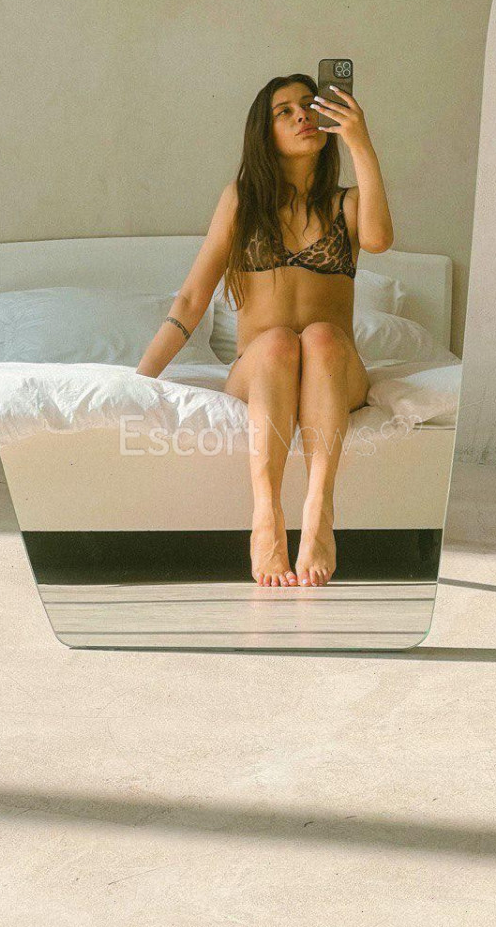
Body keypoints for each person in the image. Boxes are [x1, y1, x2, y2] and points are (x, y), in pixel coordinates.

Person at [136, 73, 394, 587]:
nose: (302, 116)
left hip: (334, 370)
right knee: (277, 342)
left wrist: (360, 141)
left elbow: (380, 239)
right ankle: (267, 516)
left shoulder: (346, 204)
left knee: (320, 336)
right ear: (264, 131)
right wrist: (140, 380)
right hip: (260, 370)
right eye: (284, 111)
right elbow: (191, 299)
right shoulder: (241, 201)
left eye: (308, 105)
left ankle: (319, 511)